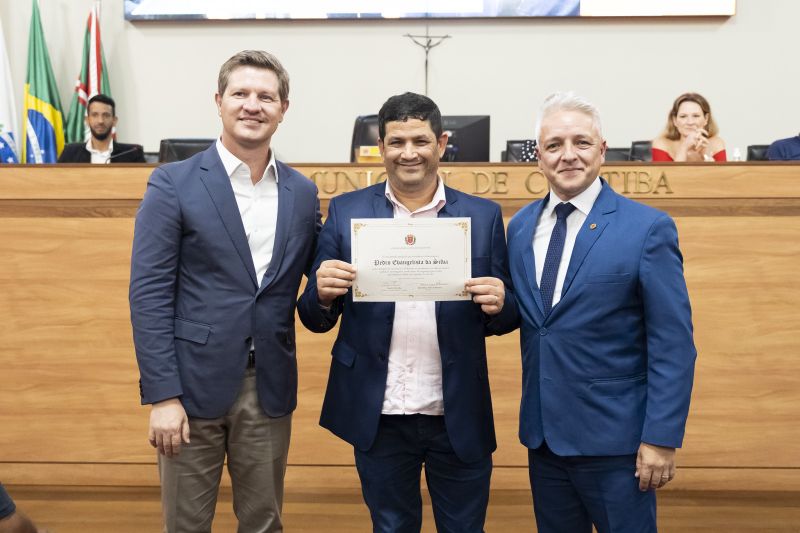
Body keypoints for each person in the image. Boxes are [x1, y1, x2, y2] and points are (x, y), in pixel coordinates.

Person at [297, 92, 519, 533]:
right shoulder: (347, 212)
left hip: (456, 410)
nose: (409, 153)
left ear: (441, 143)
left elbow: (507, 314)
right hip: (378, 412)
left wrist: (501, 302)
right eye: (396, 142)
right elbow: (313, 316)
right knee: (392, 527)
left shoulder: (482, 216)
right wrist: (320, 293)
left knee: (464, 528)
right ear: (381, 148)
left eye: (420, 140)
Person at [129, 50, 321, 532]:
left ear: (283, 108)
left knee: (263, 522)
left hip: (269, 385)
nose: (252, 105)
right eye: (240, 94)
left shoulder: (302, 192)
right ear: (219, 102)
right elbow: (148, 294)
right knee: (187, 525)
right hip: (190, 389)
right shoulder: (172, 183)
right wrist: (163, 396)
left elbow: (319, 274)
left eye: (266, 96)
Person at [507, 92, 696, 532]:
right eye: (553, 145)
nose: (568, 155)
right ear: (538, 157)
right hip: (544, 440)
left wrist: (661, 438)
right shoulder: (519, 228)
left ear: (602, 150)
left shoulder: (647, 228)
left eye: (581, 142)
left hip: (620, 447)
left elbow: (673, 345)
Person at [58, 94, 145, 163]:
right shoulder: (70, 153)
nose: (100, 121)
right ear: (87, 120)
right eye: (95, 115)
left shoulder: (132, 153)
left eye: (106, 115)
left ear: (114, 121)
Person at [651, 92, 726, 162]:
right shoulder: (661, 144)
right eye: (683, 116)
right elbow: (669, 176)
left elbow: (723, 175)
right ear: (675, 120)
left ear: (706, 119)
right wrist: (684, 147)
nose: (690, 122)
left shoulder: (717, 144)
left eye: (696, 116)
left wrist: (706, 156)